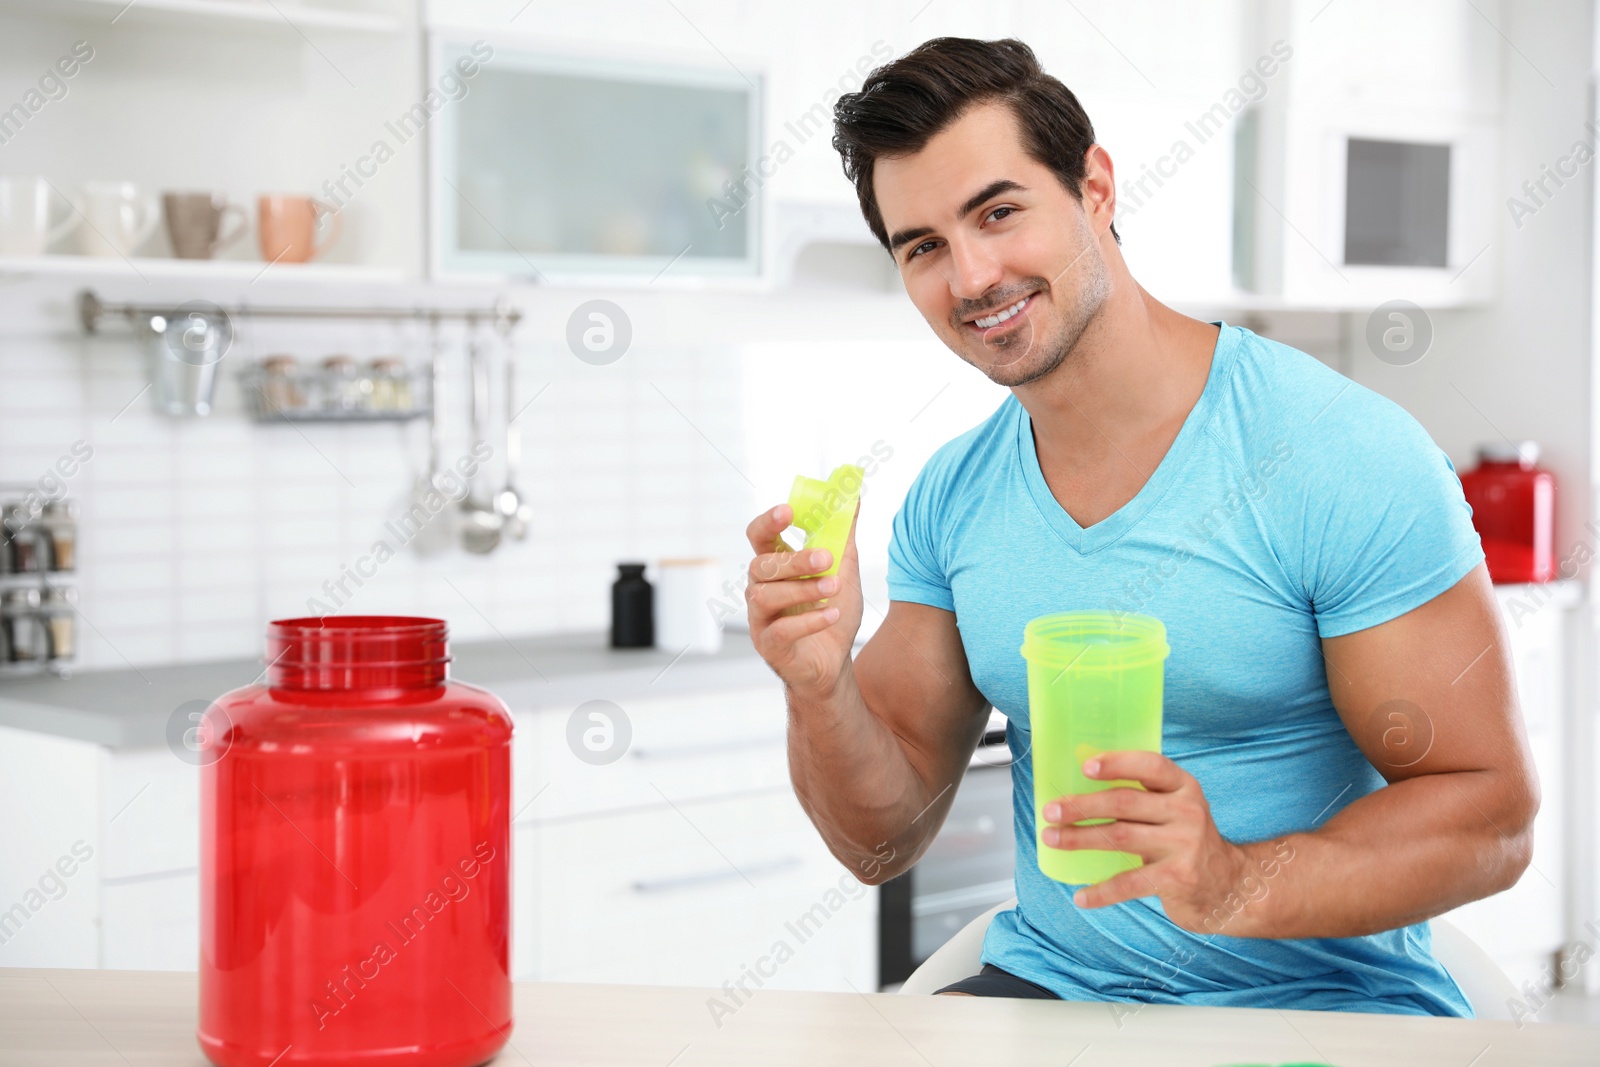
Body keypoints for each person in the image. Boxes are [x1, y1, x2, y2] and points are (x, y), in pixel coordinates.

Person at [742, 36, 1537, 1015]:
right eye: (924, 246)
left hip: (1320, 1010)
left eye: (998, 212)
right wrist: (819, 685)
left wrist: (1230, 877)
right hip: (1052, 999)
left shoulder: (1337, 453)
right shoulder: (953, 498)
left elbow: (1492, 813)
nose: (972, 274)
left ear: (1096, 190)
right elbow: (879, 837)